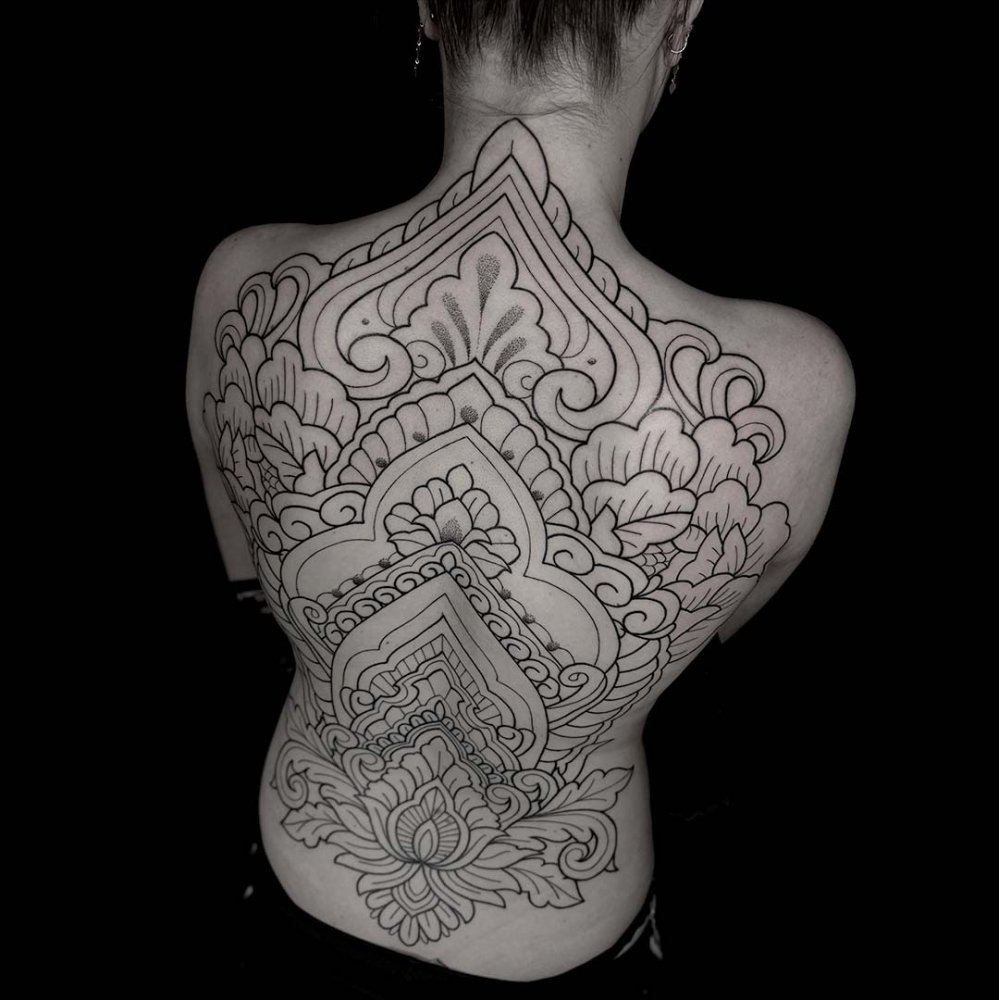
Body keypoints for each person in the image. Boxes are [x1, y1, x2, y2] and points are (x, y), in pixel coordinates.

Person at [185, 0, 855, 992]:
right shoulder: (790, 384)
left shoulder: (246, 284)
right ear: (680, 15)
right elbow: (690, 646)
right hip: (567, 927)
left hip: (303, 873)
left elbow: (253, 594)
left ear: (427, 7)